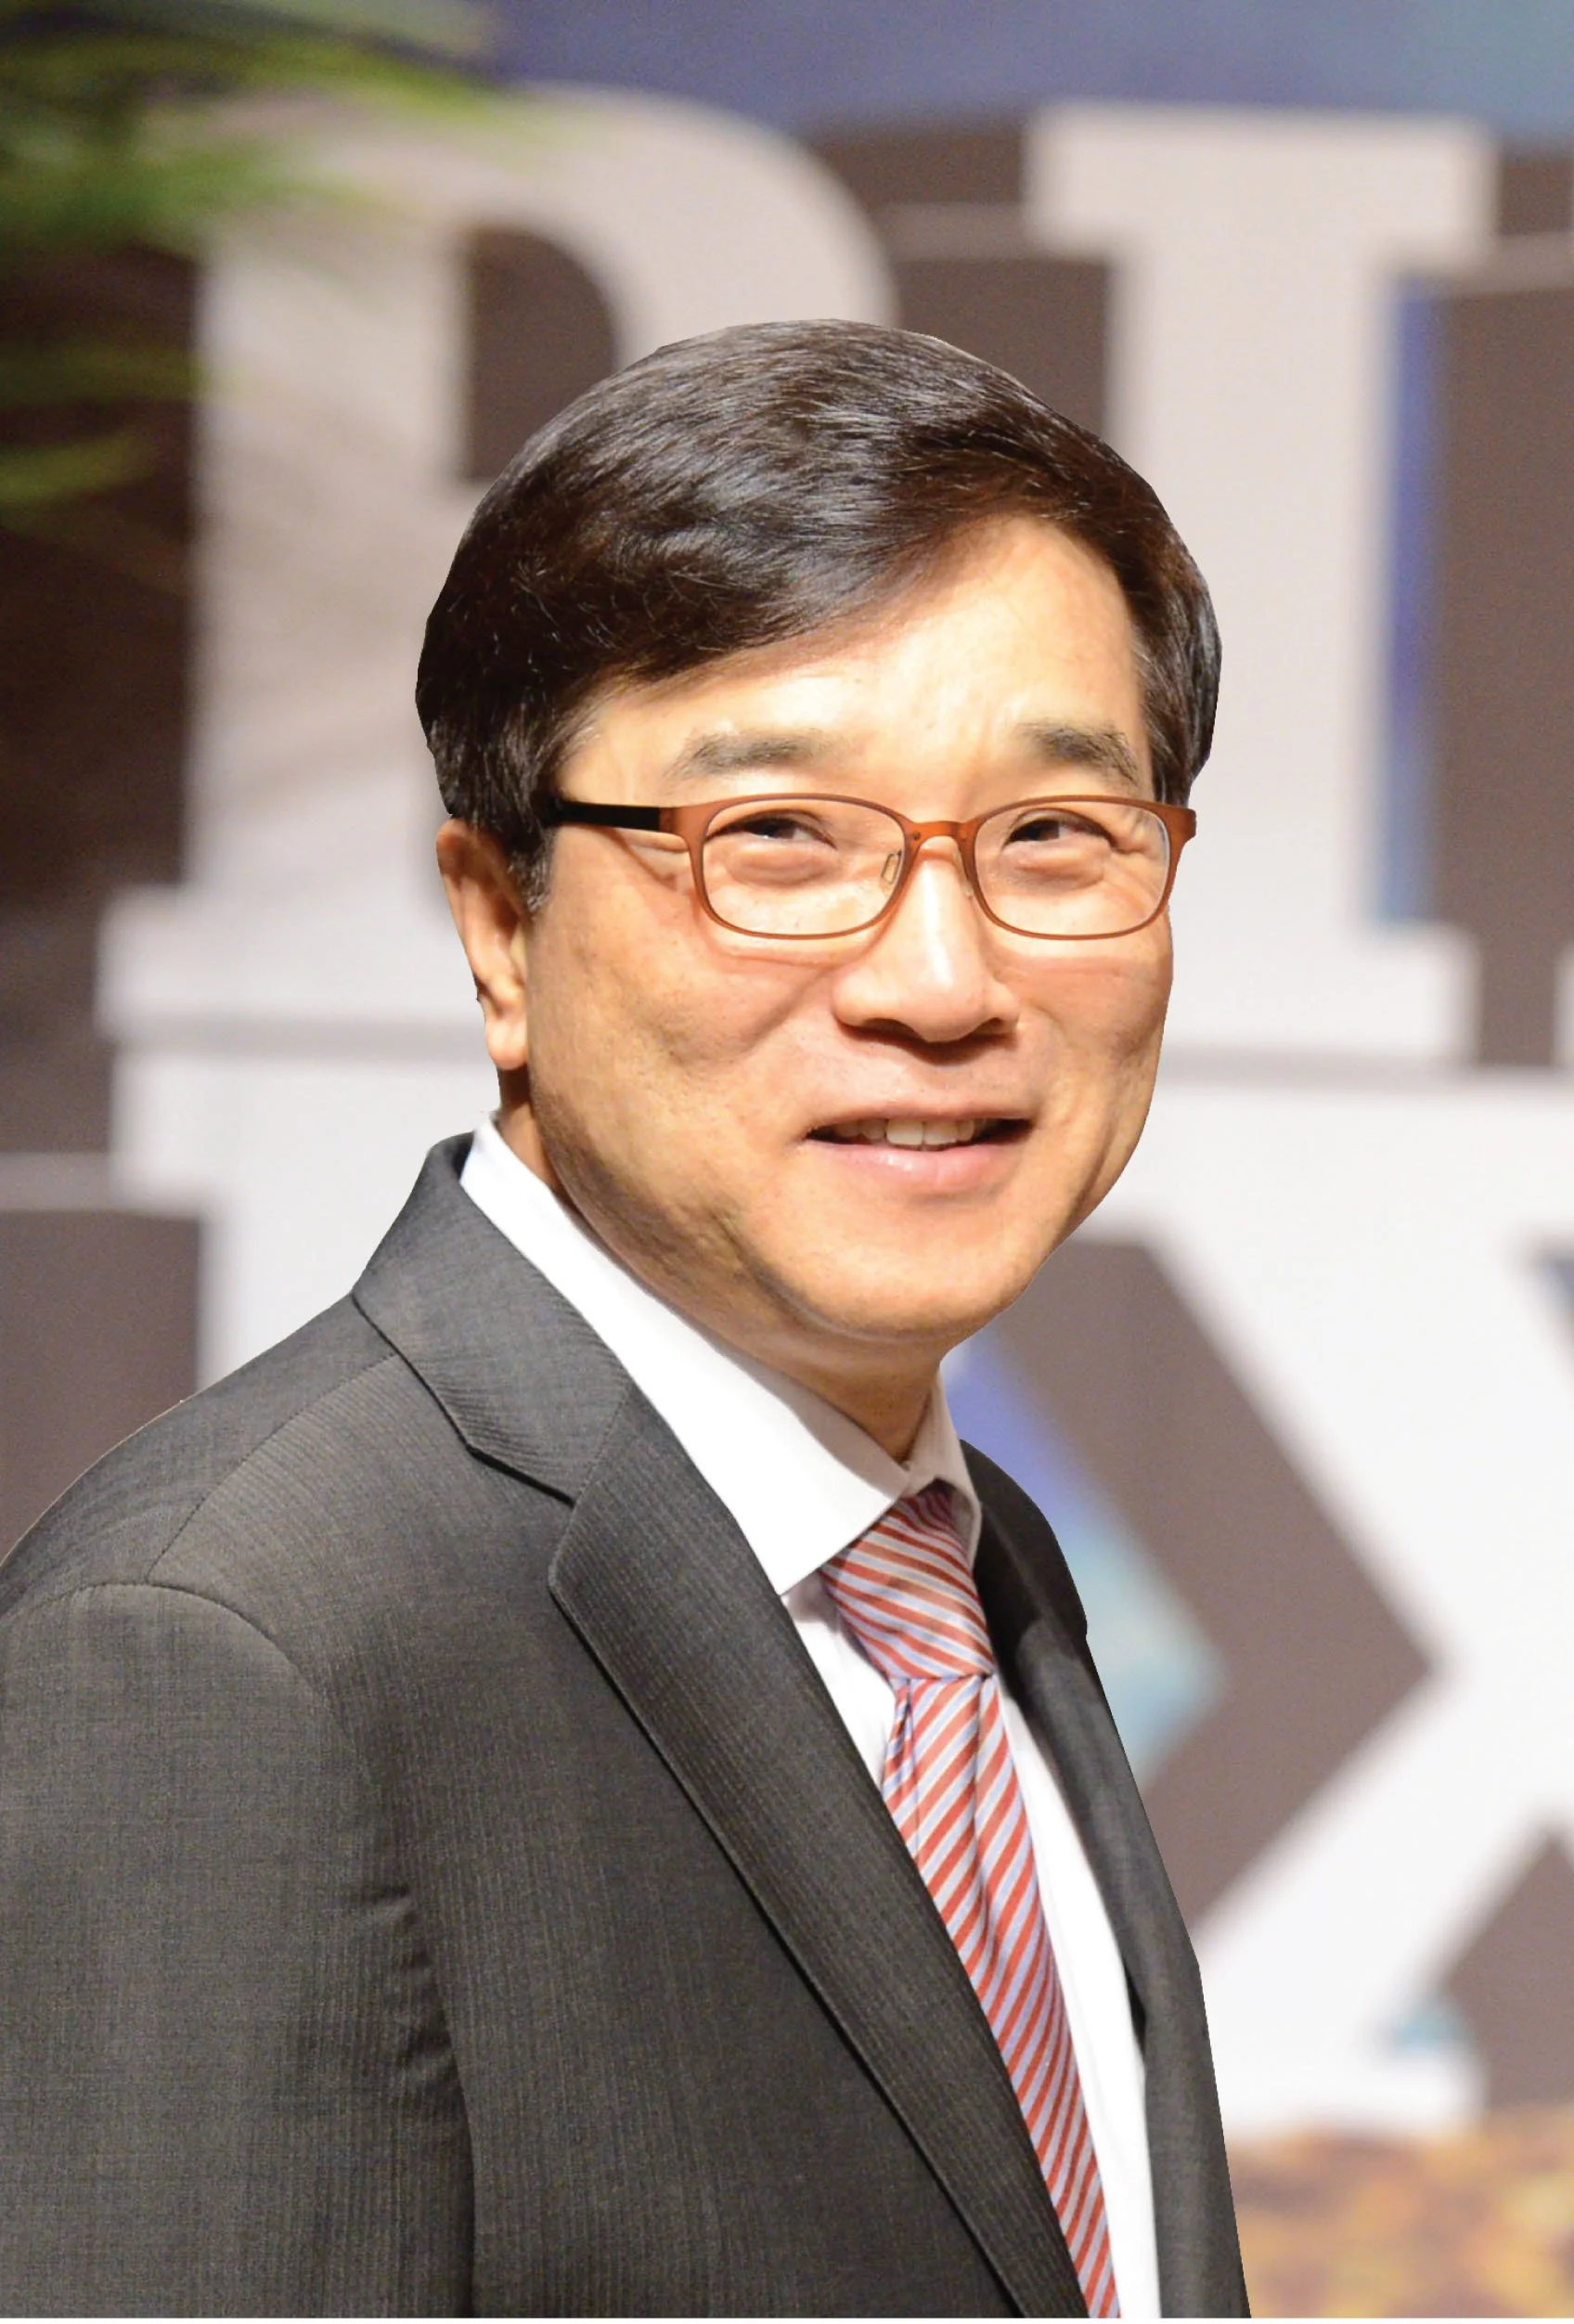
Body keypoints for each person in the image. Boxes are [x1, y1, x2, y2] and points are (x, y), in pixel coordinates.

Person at [0, 320, 1245, 2318]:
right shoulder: (226, 1649)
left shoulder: (962, 1569)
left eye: (1052, 836)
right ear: (500, 923)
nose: (941, 981)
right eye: (778, 842)